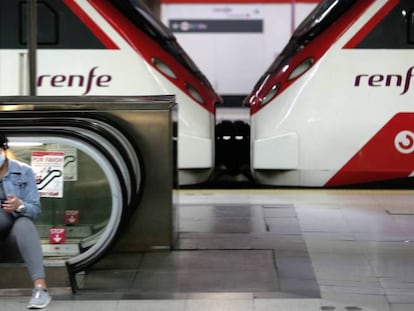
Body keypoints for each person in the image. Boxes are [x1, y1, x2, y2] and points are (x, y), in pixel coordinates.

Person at [0, 132, 51, 309]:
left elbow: (35, 210)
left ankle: (40, 289)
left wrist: (20, 205)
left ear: (4, 150)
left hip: (13, 243)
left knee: (24, 223)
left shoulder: (24, 171)